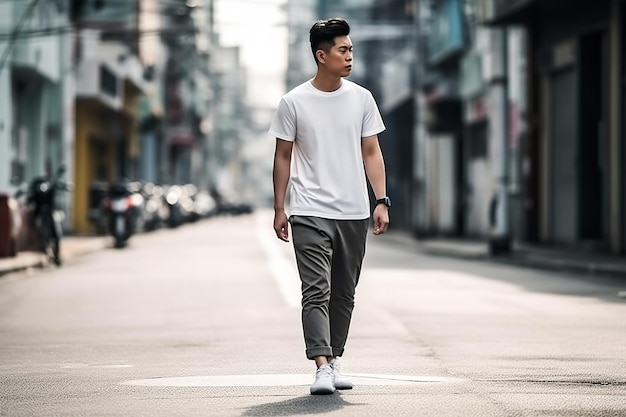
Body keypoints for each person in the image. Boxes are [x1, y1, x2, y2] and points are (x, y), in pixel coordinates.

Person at [269, 17, 390, 395]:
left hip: (353, 211)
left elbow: (371, 151)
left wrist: (381, 200)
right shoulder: (293, 102)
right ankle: (321, 365)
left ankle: (334, 359)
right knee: (315, 290)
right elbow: (283, 157)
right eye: (343, 50)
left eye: (351, 49)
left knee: (344, 293)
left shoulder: (361, 98)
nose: (350, 55)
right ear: (322, 56)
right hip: (309, 210)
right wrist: (279, 207)